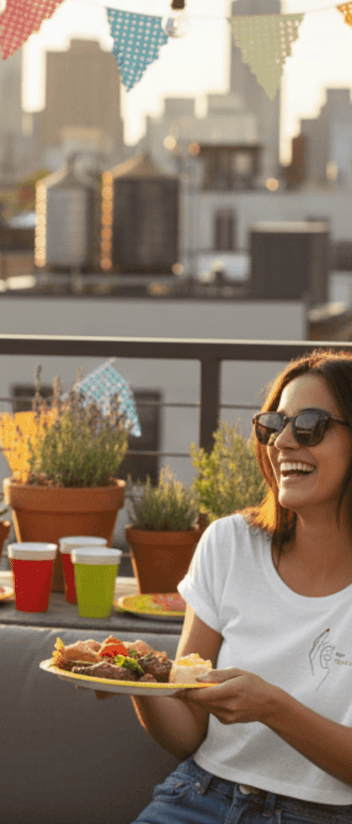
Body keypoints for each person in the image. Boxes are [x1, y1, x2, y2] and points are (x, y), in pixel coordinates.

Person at [124, 348, 352, 823]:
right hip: (199, 796)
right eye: (273, 424)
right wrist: (138, 680)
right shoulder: (228, 543)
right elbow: (188, 732)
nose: (283, 442)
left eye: (309, 425)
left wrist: (272, 707)